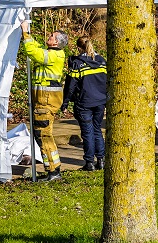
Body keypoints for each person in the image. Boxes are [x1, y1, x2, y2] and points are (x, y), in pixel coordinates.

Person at [21, 20, 67, 181]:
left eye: (51, 36)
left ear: (57, 42)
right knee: (40, 136)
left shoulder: (54, 55)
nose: (49, 36)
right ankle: (51, 170)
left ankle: (54, 171)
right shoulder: (51, 53)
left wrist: (25, 33)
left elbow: (34, 53)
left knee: (44, 136)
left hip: (45, 103)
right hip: (42, 103)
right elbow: (37, 49)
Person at [60, 37, 107, 172]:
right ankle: (101, 160)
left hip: (84, 102)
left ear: (79, 48)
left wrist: (65, 103)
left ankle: (89, 162)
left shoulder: (77, 63)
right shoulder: (102, 61)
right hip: (100, 101)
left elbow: (71, 86)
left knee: (87, 132)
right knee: (97, 129)